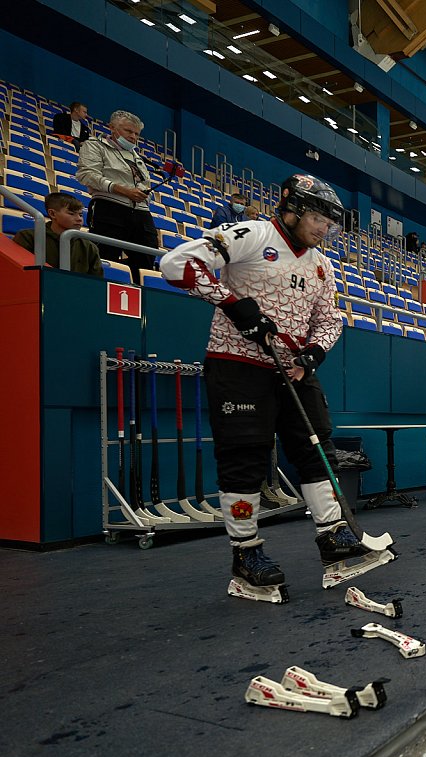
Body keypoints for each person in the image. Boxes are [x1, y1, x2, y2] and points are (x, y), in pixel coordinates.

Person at [159, 174, 389, 602]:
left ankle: (334, 538)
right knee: (245, 460)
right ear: (293, 208)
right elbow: (175, 264)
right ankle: (246, 555)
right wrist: (232, 302)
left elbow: (330, 319)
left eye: (329, 223)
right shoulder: (252, 233)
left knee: (316, 447)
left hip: (294, 373)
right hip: (237, 366)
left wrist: (313, 355)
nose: (323, 229)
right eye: (318, 218)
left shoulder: (322, 264)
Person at [77, 109, 159, 280]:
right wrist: (123, 190)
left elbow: (144, 182)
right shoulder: (94, 145)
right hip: (109, 207)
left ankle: (136, 297)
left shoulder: (136, 156)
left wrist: (144, 194)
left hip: (141, 212)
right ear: (112, 128)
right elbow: (87, 175)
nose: (133, 137)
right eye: (128, 131)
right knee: (106, 257)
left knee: (146, 260)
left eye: (136, 133)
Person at [11, 191, 103, 277]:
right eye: (71, 214)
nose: (79, 219)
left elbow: (97, 283)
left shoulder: (89, 247)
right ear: (52, 214)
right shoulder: (28, 237)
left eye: (80, 215)